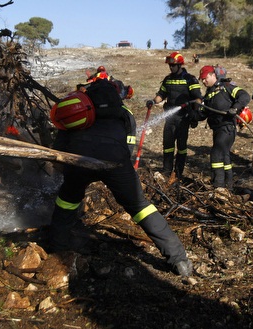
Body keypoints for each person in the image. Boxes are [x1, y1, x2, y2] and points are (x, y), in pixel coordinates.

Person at [49, 77, 193, 277]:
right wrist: (120, 169)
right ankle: (179, 260)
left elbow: (61, 141)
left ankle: (57, 251)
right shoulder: (124, 112)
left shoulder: (78, 108)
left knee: (67, 201)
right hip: (115, 161)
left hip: (79, 159)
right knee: (141, 207)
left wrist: (66, 169)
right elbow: (129, 145)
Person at [148, 51, 202, 179]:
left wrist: (195, 115)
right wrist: (153, 101)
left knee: (182, 147)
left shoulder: (190, 79)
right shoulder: (168, 79)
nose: (171, 68)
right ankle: (166, 171)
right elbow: (161, 95)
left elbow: (198, 98)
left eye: (173, 65)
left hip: (184, 117)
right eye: (169, 66)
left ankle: (178, 173)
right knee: (167, 145)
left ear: (179, 65)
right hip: (170, 117)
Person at [196, 65, 250, 190]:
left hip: (227, 127)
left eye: (205, 78)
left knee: (216, 154)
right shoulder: (208, 94)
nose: (203, 82)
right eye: (202, 79)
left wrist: (235, 108)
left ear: (213, 75)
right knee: (225, 156)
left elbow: (244, 96)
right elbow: (203, 113)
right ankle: (229, 186)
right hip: (217, 129)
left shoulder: (226, 87)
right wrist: (194, 116)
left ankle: (218, 186)